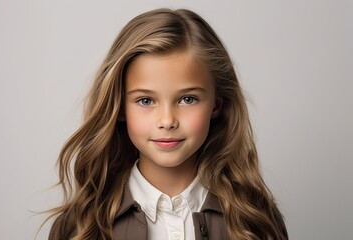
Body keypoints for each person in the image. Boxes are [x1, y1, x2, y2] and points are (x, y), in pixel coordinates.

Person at [47, 8, 288, 240]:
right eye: (145, 100)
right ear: (120, 107)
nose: (167, 121)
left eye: (187, 99)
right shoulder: (79, 226)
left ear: (216, 105)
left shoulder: (255, 220)